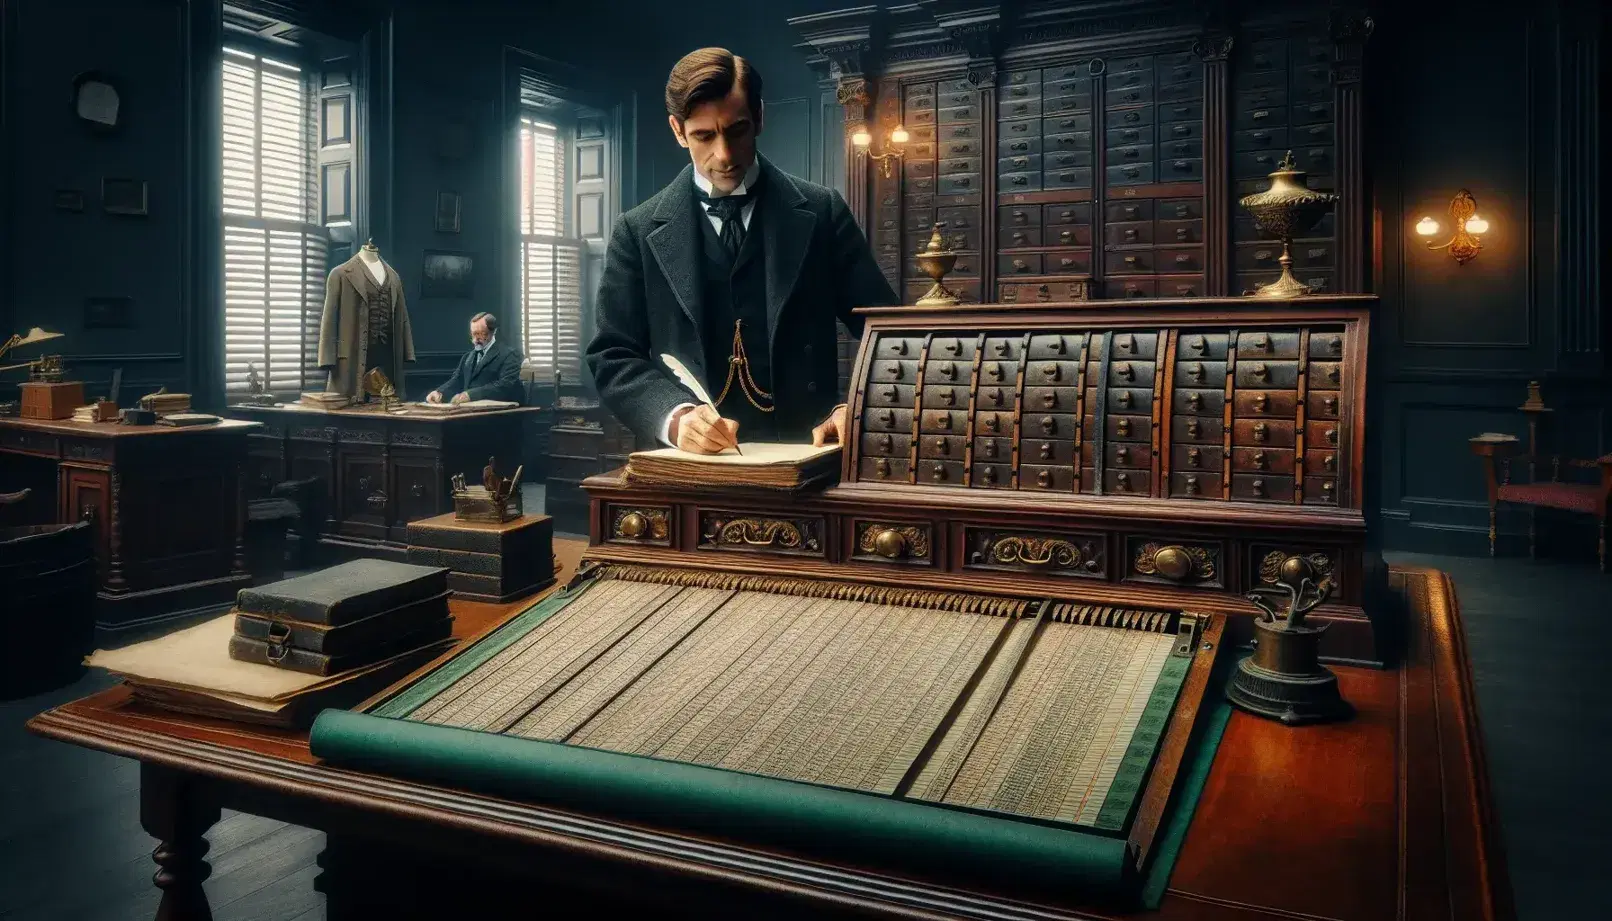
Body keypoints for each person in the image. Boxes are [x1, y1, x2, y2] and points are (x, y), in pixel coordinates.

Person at [585, 47, 897, 454]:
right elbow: (613, 354)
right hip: (693, 469)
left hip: (808, 458)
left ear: (760, 118)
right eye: (704, 136)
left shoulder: (822, 212)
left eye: (737, 130)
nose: (725, 155)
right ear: (678, 131)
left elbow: (890, 334)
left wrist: (854, 409)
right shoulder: (636, 230)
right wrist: (675, 418)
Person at [426, 312, 524, 405]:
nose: (476, 339)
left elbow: (505, 385)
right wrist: (439, 392)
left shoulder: (510, 355)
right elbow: (457, 380)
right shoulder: (467, 357)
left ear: (493, 331)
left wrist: (470, 395)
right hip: (470, 413)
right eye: (473, 334)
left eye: (481, 334)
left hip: (499, 415)